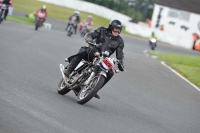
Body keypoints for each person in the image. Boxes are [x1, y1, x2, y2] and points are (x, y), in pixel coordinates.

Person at [64, 19, 125, 99]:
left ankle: (95, 89)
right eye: (115, 29)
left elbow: (120, 54)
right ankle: (70, 69)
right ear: (111, 27)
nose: (117, 31)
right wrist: (89, 39)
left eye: (119, 30)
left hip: (104, 58)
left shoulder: (119, 41)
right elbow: (90, 35)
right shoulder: (102, 30)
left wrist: (121, 63)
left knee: (110, 73)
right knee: (83, 51)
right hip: (93, 51)